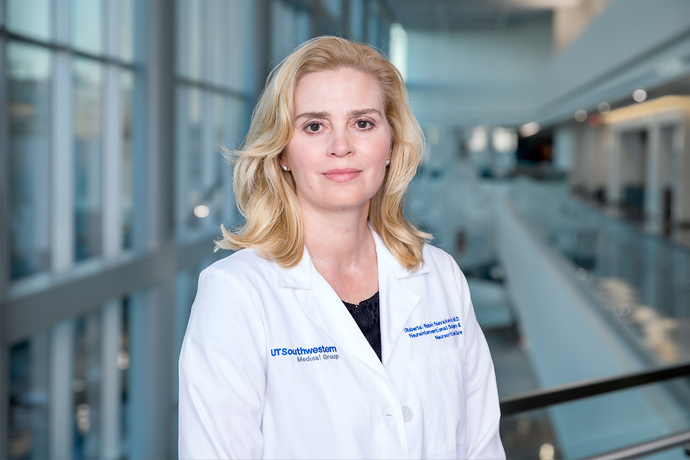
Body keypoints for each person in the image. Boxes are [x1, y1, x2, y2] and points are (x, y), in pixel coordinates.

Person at [178, 36, 505, 460]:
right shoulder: (235, 293)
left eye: (362, 123)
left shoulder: (440, 276)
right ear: (282, 152)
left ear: (390, 144)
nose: (341, 146)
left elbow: (482, 447)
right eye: (314, 126)